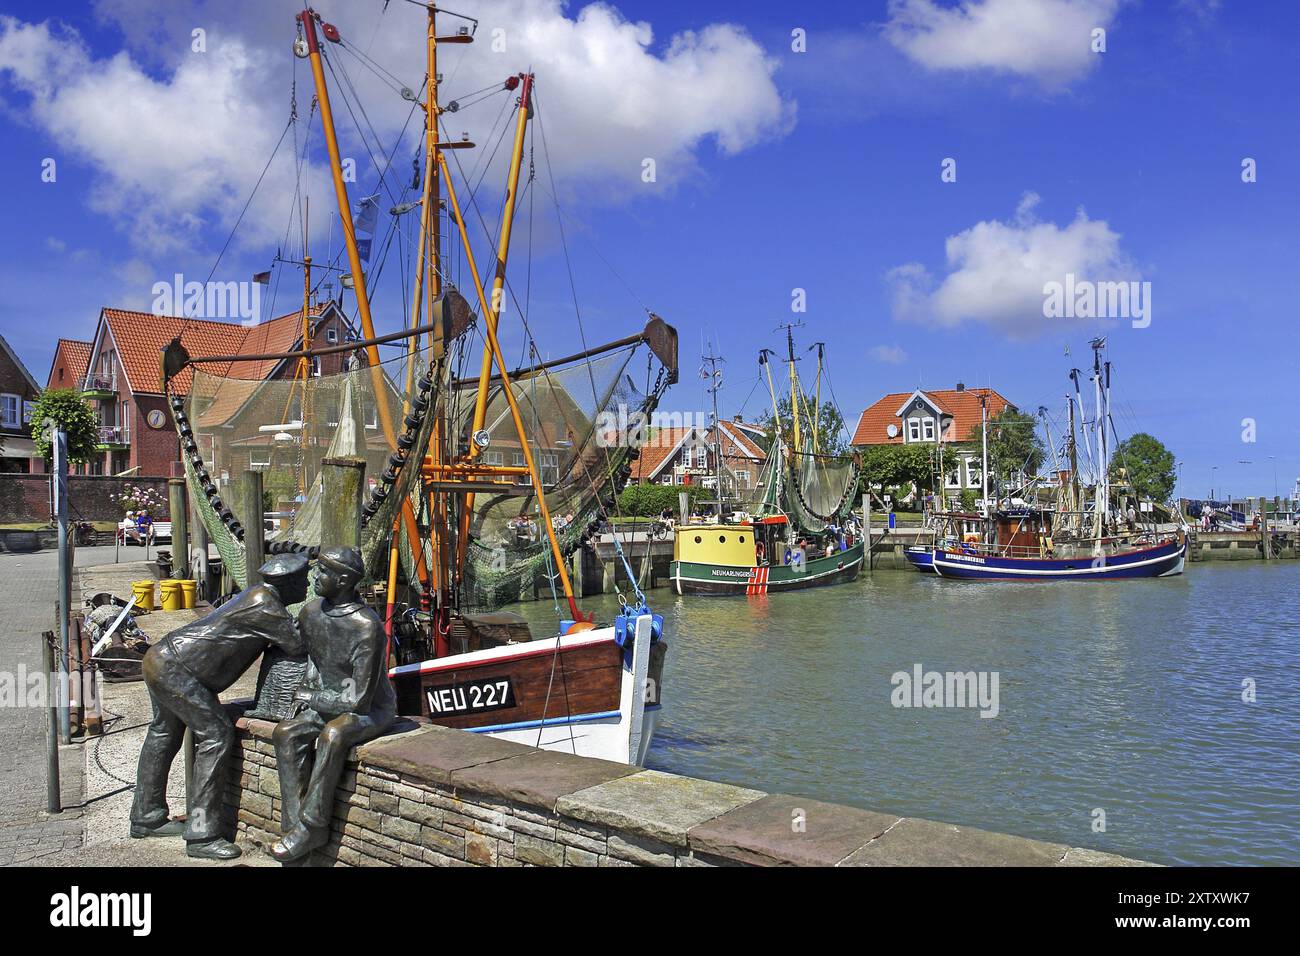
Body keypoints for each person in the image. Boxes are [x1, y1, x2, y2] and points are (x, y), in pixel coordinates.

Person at [131, 554, 308, 859]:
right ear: (289, 583)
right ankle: (202, 835)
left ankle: (146, 817)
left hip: (163, 658)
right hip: (180, 670)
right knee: (216, 734)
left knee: (163, 735)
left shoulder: (256, 595)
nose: (307, 585)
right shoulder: (267, 605)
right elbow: (297, 645)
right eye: (303, 580)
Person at [272, 547, 396, 863]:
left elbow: (359, 699)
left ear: (342, 580)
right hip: (325, 700)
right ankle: (293, 825)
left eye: (323, 572)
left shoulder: (366, 626)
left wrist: (311, 698)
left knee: (334, 734)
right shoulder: (311, 612)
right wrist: (305, 691)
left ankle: (312, 826)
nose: (315, 576)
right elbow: (314, 660)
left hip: (369, 710)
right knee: (286, 732)